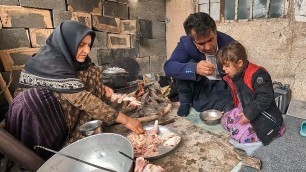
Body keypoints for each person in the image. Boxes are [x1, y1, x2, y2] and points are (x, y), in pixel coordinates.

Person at [5, 20, 144, 159]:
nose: (87, 50)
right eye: (81, 45)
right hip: (36, 119)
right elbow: (83, 99)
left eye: (89, 45)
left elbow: (80, 83)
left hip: (52, 116)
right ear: (66, 43)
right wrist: (126, 120)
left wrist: (101, 86)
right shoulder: (50, 63)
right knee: (34, 160)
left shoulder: (78, 64)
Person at [163, 12, 235, 116]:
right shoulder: (186, 43)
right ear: (193, 41)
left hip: (221, 83)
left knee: (228, 104)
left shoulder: (229, 43)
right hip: (200, 82)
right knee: (185, 67)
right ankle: (185, 102)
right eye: (201, 43)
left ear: (215, 32)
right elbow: (168, 67)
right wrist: (194, 68)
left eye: (210, 40)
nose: (208, 47)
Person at [216, 41, 285, 146]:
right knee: (225, 120)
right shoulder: (235, 76)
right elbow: (235, 97)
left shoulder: (258, 75)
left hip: (262, 113)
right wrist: (227, 109)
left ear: (239, 63)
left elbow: (265, 98)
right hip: (245, 107)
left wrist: (248, 114)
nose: (224, 69)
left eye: (226, 66)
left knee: (238, 135)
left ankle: (276, 129)